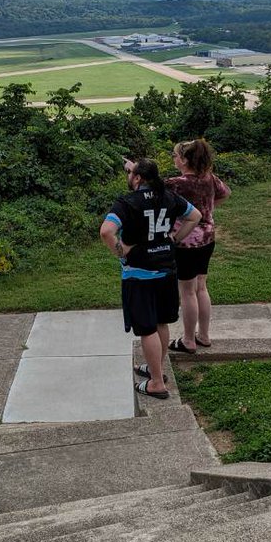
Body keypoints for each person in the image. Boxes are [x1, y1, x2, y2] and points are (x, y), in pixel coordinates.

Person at [100, 157, 201, 399]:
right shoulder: (168, 196)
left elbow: (106, 231)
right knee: (162, 323)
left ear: (137, 178)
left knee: (146, 329)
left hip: (139, 274)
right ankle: (157, 368)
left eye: (131, 173)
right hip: (166, 269)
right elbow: (194, 215)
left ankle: (157, 382)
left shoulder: (127, 202)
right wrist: (175, 240)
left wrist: (121, 254)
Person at [165, 138, 231, 354]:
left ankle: (188, 340)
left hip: (186, 243)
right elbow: (226, 193)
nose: (173, 159)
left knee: (187, 292)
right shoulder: (209, 179)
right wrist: (208, 207)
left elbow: (150, 188)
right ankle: (203, 335)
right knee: (201, 287)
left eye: (175, 156)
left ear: (184, 160)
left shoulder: (178, 183)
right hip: (207, 239)